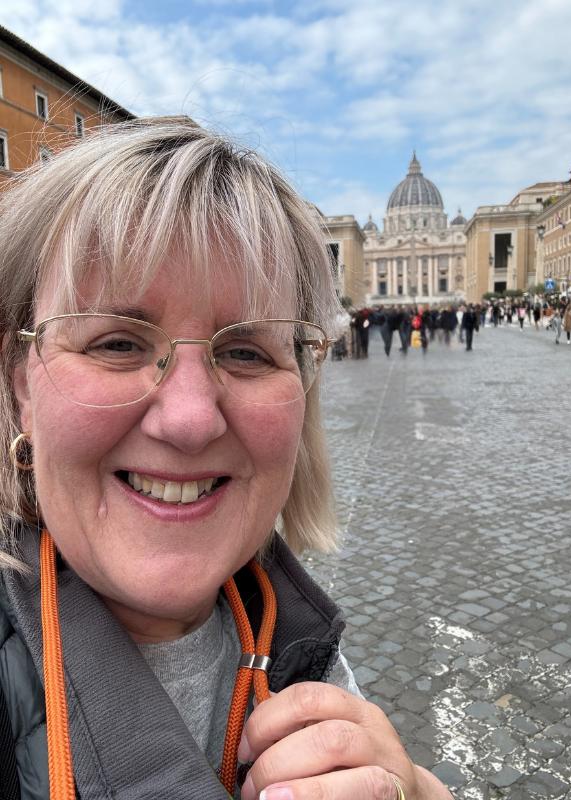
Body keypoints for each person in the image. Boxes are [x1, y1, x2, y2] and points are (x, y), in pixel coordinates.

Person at [0, 119, 453, 800]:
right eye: (116, 342)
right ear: (18, 383)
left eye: (247, 350)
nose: (189, 418)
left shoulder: (295, 636)